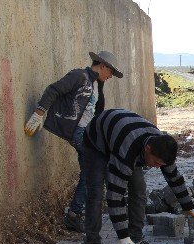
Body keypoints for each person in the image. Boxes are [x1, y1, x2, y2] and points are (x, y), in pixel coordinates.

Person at [82, 109, 194, 244]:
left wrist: (190, 208)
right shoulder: (128, 150)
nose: (157, 168)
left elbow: (174, 178)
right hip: (96, 145)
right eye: (155, 163)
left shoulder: (162, 147)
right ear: (147, 149)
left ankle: (137, 238)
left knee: (139, 190)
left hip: (123, 136)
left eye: (161, 165)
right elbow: (115, 196)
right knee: (95, 195)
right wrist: (123, 239)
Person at [24, 51, 122, 232]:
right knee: (95, 166)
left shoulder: (95, 84)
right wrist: (39, 113)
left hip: (87, 134)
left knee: (89, 171)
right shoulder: (79, 75)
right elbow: (54, 89)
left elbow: (96, 112)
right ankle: (84, 212)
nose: (110, 77)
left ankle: (77, 214)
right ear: (103, 66)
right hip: (78, 132)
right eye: (111, 72)